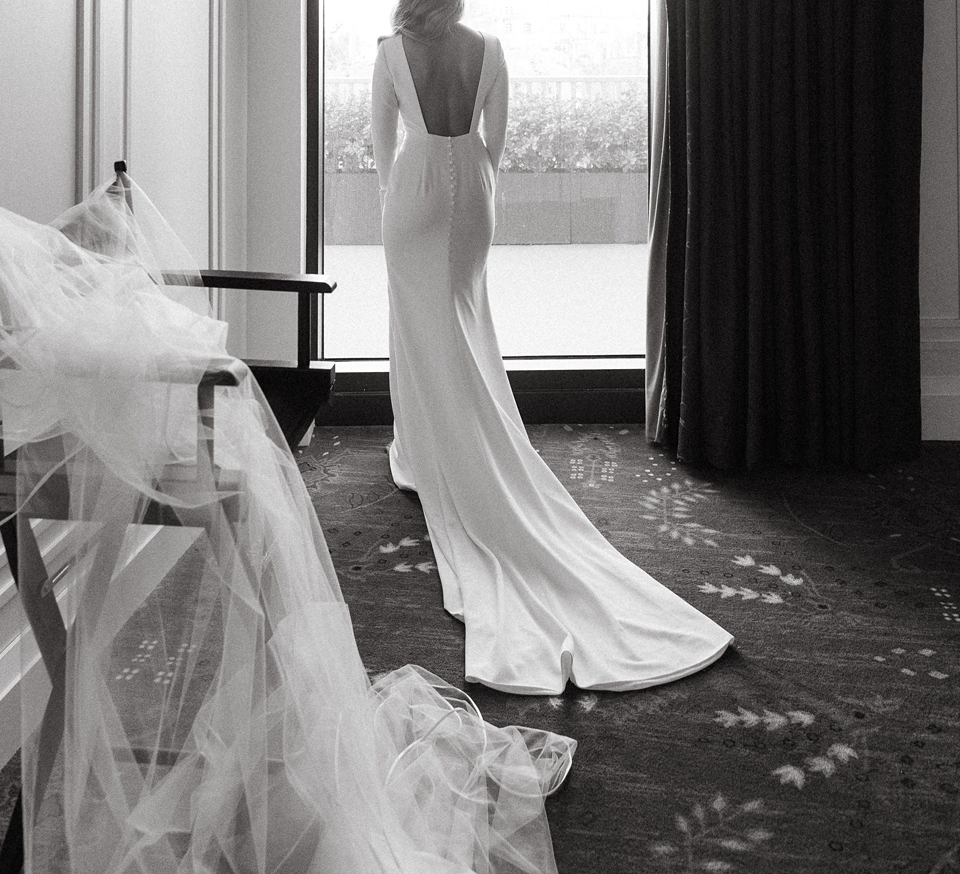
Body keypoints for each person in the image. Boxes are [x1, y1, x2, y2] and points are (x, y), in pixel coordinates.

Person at [0, 176, 574, 873]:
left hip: (114, 417)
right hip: (117, 429)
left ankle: (283, 734)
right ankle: (290, 736)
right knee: (262, 532)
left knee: (261, 530)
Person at [372, 0, 733, 695]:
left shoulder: (390, 51)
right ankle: (438, 442)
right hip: (471, 189)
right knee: (463, 319)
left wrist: (401, 194)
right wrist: (473, 184)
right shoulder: (489, 50)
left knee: (417, 326)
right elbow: (495, 140)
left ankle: (428, 450)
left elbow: (382, 144)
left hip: (411, 194)